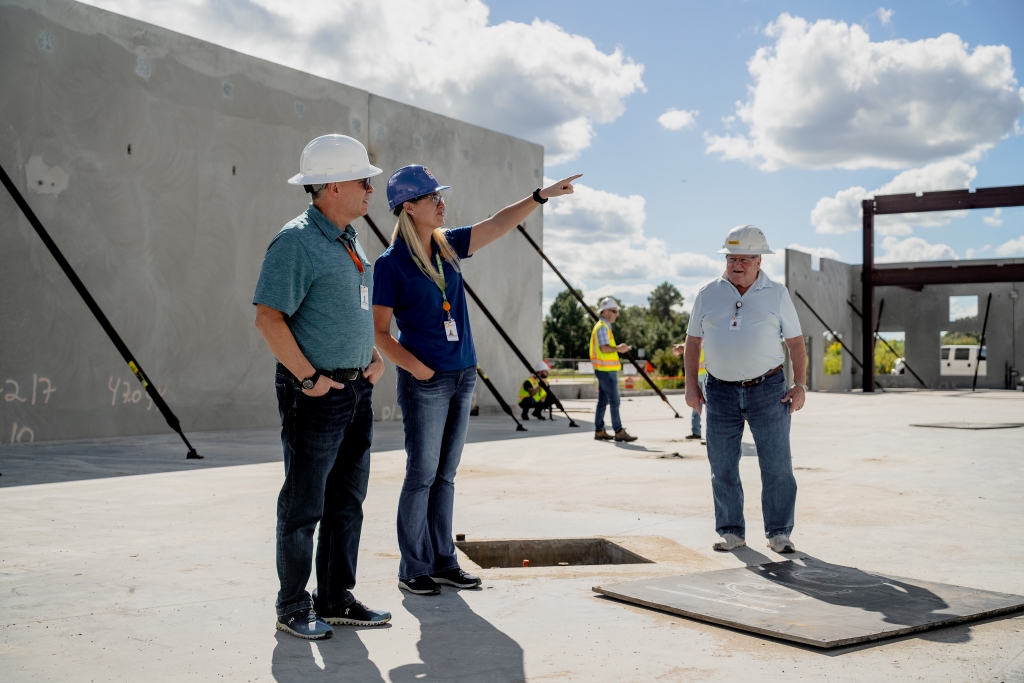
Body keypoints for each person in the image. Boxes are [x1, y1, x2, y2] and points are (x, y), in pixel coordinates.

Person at [373, 165, 581, 595]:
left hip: (463, 375)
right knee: (422, 474)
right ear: (409, 208)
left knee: (446, 476)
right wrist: (418, 370)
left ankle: (444, 561)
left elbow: (499, 222)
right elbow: (377, 332)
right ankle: (413, 568)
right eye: (433, 198)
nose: (442, 203)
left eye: (440, 196)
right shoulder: (391, 264)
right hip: (427, 383)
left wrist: (539, 196)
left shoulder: (448, 246)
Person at [253, 134, 391, 640]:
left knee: (347, 502)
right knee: (304, 504)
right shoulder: (295, 241)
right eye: (363, 180)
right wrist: (309, 378)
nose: (370, 189)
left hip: (355, 391)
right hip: (316, 394)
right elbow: (269, 319)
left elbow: (350, 309)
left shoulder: (349, 239)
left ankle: (335, 599)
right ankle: (293, 606)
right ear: (333, 186)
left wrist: (371, 357)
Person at [683, 225, 807, 555]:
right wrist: (690, 386)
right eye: (731, 257)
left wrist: (800, 385)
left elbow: (795, 342)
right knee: (722, 465)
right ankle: (731, 532)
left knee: (777, 465)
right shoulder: (708, 293)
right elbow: (693, 341)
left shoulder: (777, 294)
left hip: (768, 390)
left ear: (759, 260)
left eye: (744, 259)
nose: (736, 264)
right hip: (719, 392)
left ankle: (779, 532)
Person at [589, 298, 638, 442]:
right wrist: (619, 348)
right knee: (615, 401)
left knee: (603, 401)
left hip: (603, 369)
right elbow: (604, 347)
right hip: (605, 370)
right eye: (614, 311)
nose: (616, 314)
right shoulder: (603, 327)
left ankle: (599, 430)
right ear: (605, 311)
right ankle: (618, 431)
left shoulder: (603, 326)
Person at [674, 344, 706, 443]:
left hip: (708, 375)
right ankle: (696, 431)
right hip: (699, 374)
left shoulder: (710, 331)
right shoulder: (700, 332)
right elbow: (694, 341)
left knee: (709, 406)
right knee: (696, 404)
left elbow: (700, 343)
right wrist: (683, 347)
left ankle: (710, 434)